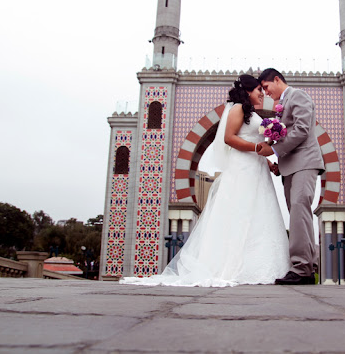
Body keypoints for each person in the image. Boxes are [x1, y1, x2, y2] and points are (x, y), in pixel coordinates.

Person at [121, 74, 290, 287]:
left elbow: (251, 144)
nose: (262, 93)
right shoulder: (237, 109)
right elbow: (229, 138)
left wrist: (268, 161)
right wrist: (258, 147)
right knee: (241, 213)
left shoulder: (250, 113)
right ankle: (234, 266)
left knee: (258, 213)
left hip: (256, 170)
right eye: (258, 90)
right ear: (248, 91)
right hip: (242, 171)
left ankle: (258, 265)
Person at [257, 68, 325, 285]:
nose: (266, 93)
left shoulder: (298, 95)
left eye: (266, 87)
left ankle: (302, 268)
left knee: (299, 208)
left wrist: (275, 151)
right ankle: (306, 266)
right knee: (298, 214)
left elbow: (303, 129)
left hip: (305, 162)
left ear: (277, 79)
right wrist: (278, 162)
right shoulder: (281, 106)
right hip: (290, 166)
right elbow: (288, 133)